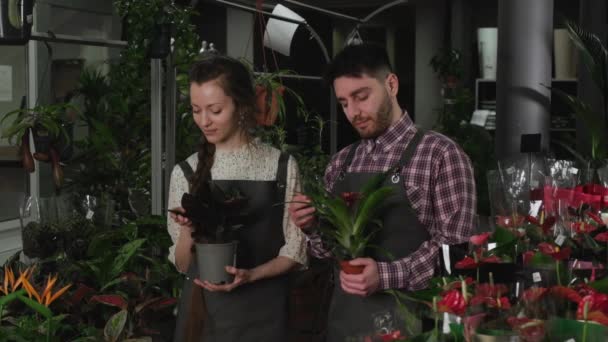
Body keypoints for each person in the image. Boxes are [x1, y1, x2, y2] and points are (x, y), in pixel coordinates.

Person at [288, 43, 476, 341]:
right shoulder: (340, 163)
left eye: (361, 97)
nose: (353, 112)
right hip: (346, 326)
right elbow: (327, 253)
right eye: (344, 102)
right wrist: (311, 227)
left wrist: (386, 275)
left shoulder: (440, 154)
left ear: (391, 84)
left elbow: (456, 253)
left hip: (417, 326)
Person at [166, 55, 307, 341]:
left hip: (267, 313)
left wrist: (252, 275)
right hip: (204, 316)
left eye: (215, 110)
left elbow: (296, 250)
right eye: (196, 110)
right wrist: (187, 230)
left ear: (241, 105)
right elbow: (183, 265)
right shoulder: (186, 171)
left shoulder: (280, 165)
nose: (204, 121)